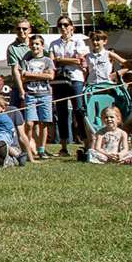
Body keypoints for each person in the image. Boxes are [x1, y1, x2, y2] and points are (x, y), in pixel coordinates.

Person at [47, 17, 88, 159]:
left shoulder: (78, 41)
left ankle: (86, 142)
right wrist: (66, 60)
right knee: (61, 112)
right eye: (60, 25)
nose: (63, 27)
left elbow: (79, 59)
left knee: (79, 110)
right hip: (59, 80)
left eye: (65, 25)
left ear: (71, 27)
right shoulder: (54, 44)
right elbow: (51, 62)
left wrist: (59, 59)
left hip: (75, 78)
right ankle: (64, 146)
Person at [13, 34, 57, 158]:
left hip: (45, 95)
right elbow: (22, 76)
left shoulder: (48, 60)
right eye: (32, 44)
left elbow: (50, 76)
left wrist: (30, 74)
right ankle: (28, 148)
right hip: (30, 95)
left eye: (37, 44)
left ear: (42, 46)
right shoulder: (26, 60)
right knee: (29, 123)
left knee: (44, 123)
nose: (35, 46)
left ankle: (42, 149)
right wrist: (40, 74)